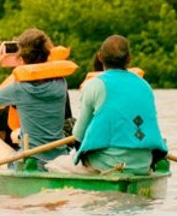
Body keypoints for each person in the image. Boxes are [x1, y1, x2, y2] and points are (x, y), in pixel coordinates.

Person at [47, 35, 167, 175]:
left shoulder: (94, 85)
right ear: (129, 58)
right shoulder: (145, 86)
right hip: (142, 163)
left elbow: (78, 135)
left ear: (100, 57)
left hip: (106, 164)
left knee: (53, 165)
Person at [0, 29, 74, 169]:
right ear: (47, 54)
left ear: (21, 59)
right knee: (16, 134)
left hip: (30, 161)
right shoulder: (61, 83)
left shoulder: (18, 89)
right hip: (59, 158)